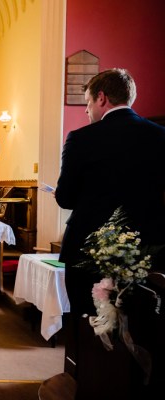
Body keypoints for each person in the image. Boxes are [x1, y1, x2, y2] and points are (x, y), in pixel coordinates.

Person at [55, 68, 165, 398]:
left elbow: (65, 197)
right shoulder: (159, 136)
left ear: (101, 98)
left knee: (85, 323)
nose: (87, 111)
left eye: (88, 103)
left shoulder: (82, 138)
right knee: (139, 323)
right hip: (143, 254)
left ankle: (86, 384)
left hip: (88, 253)